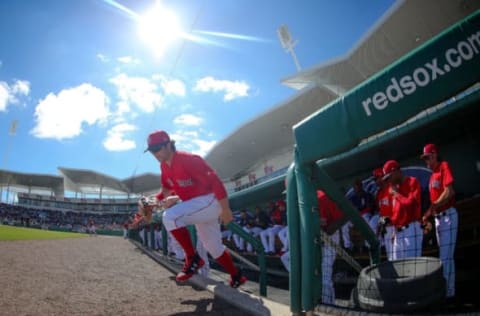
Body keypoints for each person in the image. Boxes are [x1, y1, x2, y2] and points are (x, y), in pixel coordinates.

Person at [142, 130, 246, 288]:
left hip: (210, 200)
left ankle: (193, 258)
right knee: (214, 248)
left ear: (168, 144)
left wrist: (225, 209)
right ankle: (236, 275)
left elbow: (215, 181)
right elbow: (167, 188)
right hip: (198, 208)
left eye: (157, 148)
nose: (155, 153)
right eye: (152, 150)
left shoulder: (188, 159)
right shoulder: (164, 166)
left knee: (170, 217)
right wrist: (156, 200)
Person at [281, 190, 343, 305]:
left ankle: (329, 307)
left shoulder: (322, 197)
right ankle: (311, 290)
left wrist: (325, 235)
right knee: (286, 258)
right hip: (312, 239)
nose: (289, 196)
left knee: (324, 277)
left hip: (329, 237)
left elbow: (340, 218)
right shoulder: (296, 204)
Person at [420, 144, 458, 298]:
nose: (426, 161)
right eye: (424, 158)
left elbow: (449, 192)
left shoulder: (443, 166)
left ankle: (446, 293)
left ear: (434, 155)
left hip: (448, 216)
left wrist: (434, 206)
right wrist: (427, 214)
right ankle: (450, 291)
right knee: (447, 257)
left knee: (445, 257)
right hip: (438, 219)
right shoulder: (432, 175)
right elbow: (434, 201)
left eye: (427, 157)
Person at [382, 160, 423, 260]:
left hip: (411, 230)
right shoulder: (397, 189)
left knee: (412, 269)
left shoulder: (412, 182)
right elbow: (397, 213)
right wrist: (394, 230)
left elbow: (410, 205)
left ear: (395, 171)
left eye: (389, 177)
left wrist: (396, 194)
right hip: (398, 233)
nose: (388, 181)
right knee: (398, 268)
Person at [373, 168, 394, 261]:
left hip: (395, 227)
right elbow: (381, 213)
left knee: (397, 258)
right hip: (386, 229)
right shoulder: (379, 194)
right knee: (390, 258)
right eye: (375, 179)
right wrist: (379, 227)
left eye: (377, 178)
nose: (376, 181)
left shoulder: (392, 189)